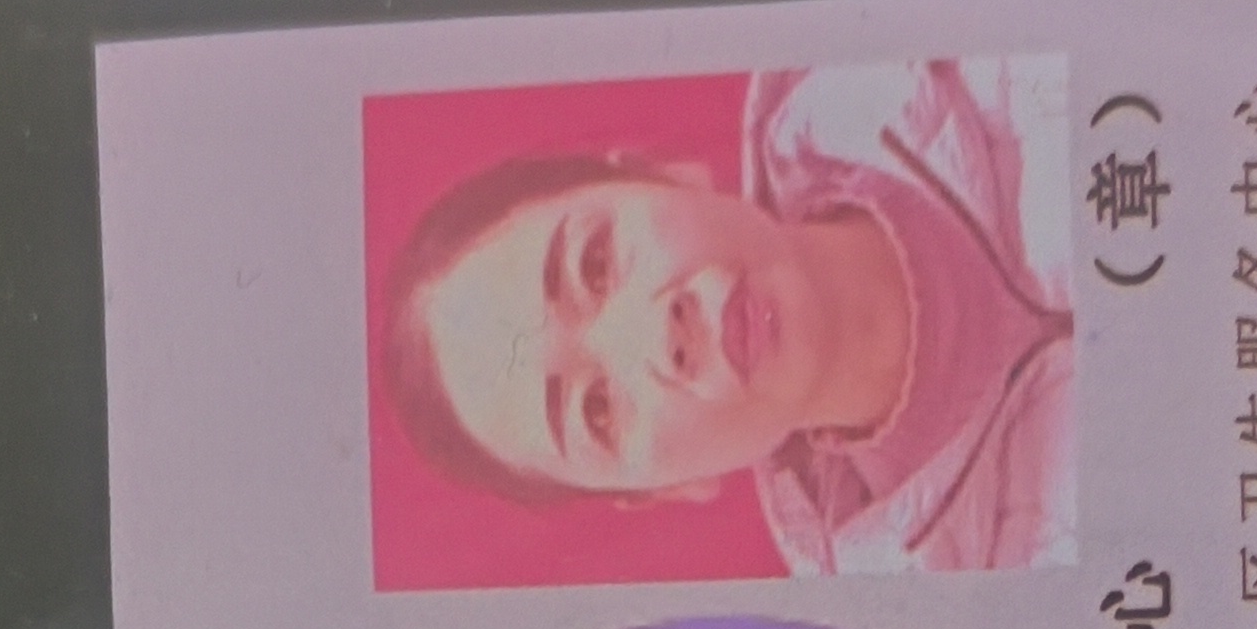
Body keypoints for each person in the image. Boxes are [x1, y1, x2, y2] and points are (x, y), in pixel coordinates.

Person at [379, 60, 1075, 576]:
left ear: (663, 172)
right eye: (598, 411)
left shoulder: (894, 25)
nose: (657, 336)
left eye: (595, 263)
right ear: (670, 490)